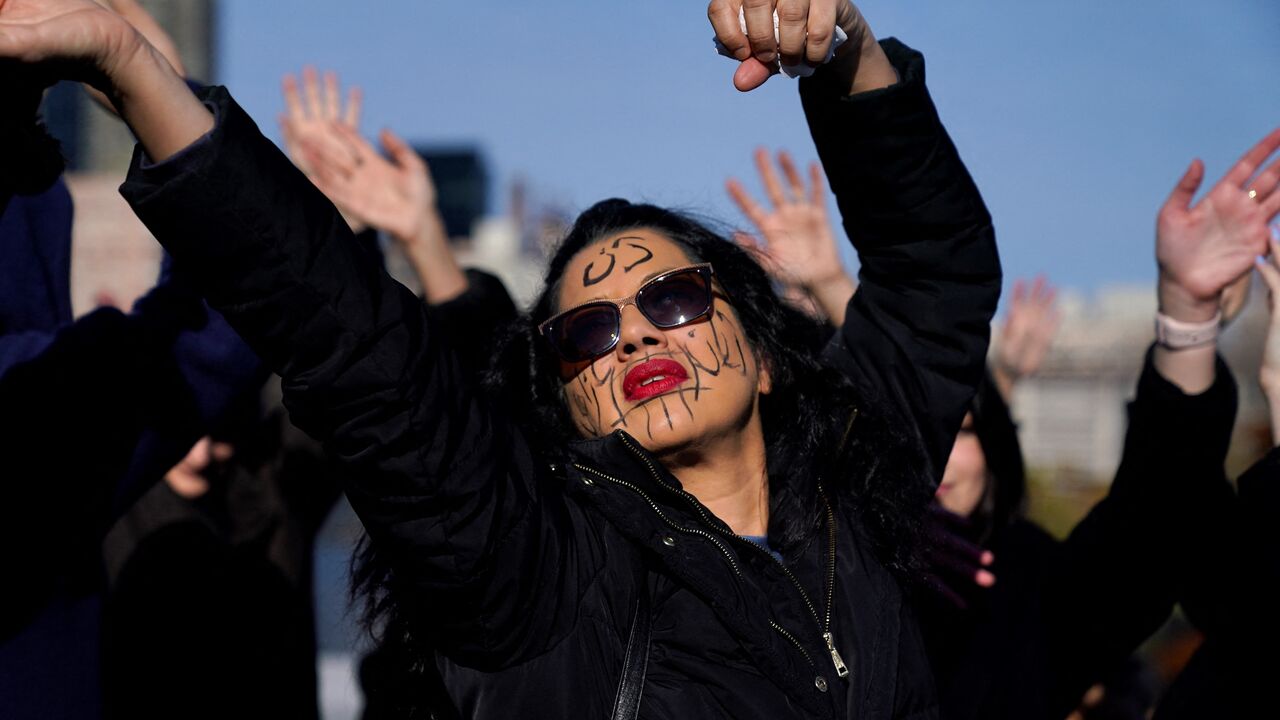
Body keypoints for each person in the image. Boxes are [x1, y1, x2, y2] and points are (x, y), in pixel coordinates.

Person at [0, 1, 1004, 717]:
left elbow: (936, 274)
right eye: (587, 333)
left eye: (670, 297)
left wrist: (844, 50)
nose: (638, 334)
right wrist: (135, 67)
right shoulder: (538, 574)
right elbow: (356, 347)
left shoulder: (856, 488)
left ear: (769, 352)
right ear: (562, 406)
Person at [730, 133, 1280, 719]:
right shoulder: (774, 586)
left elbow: (1156, 517)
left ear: (996, 450)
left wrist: (1187, 322)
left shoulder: (1026, 592)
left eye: (962, 433)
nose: (931, 455)